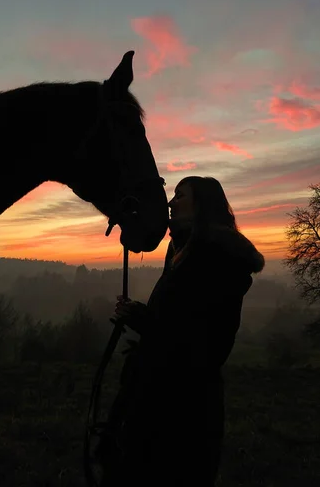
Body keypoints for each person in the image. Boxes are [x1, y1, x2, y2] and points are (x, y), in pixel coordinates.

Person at [101, 176, 265, 486]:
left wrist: (143, 321)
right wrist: (140, 314)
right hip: (157, 393)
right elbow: (175, 318)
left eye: (180, 196)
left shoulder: (219, 259)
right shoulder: (182, 251)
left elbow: (204, 342)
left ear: (202, 205)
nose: (171, 202)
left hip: (185, 407)